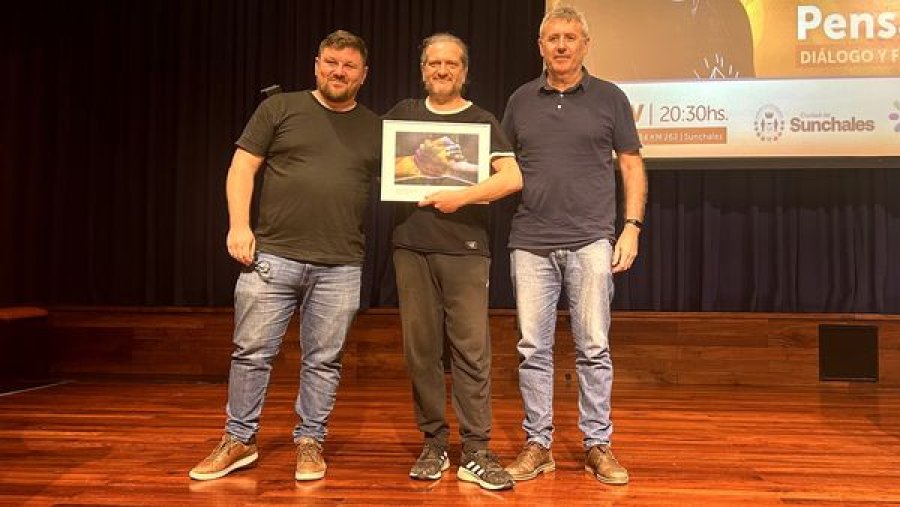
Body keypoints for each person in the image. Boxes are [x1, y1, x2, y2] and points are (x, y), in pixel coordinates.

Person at [188, 30, 381, 482]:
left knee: (324, 360)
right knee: (251, 352)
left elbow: (411, 176)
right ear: (317, 64)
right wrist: (239, 225)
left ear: (364, 74)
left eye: (349, 65)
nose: (338, 72)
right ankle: (239, 439)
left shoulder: (377, 128)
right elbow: (242, 166)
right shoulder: (279, 108)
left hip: (341, 263)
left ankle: (311, 441)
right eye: (331, 62)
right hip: (273, 257)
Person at [501, 5, 647, 485]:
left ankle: (597, 445)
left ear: (585, 44)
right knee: (532, 350)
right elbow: (503, 166)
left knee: (594, 347)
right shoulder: (520, 100)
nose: (561, 45)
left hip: (591, 240)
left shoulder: (610, 97)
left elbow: (631, 165)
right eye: (553, 38)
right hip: (531, 243)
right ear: (540, 46)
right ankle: (537, 445)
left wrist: (631, 226)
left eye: (570, 37)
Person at [383, 33, 523, 491]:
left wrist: (459, 197)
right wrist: (415, 163)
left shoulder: (482, 121)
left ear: (464, 71)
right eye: (434, 64)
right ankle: (434, 443)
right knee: (421, 350)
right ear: (423, 70)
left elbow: (512, 178)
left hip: (465, 249)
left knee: (471, 350)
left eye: (451, 64)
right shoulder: (403, 114)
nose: (442, 71)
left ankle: (477, 449)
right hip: (411, 248)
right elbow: (384, 166)